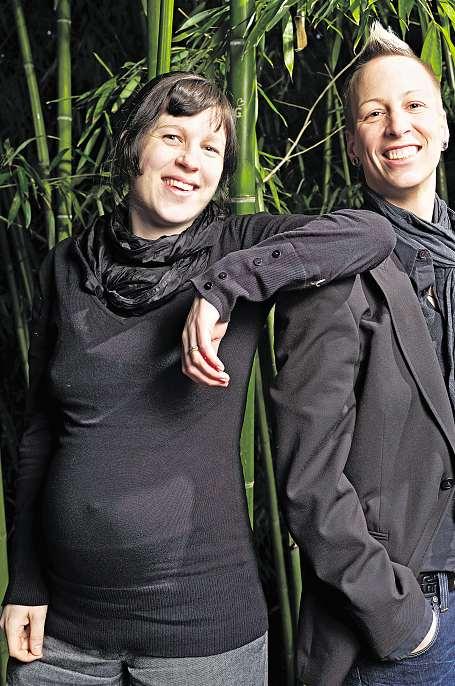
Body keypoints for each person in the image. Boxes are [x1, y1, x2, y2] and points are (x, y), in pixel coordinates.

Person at [0, 72, 394, 686]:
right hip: (63, 635)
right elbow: (40, 433)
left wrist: (227, 286)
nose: (191, 160)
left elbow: (372, 233)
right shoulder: (65, 266)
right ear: (134, 146)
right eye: (172, 137)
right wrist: (23, 582)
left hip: (200, 632)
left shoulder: (236, 247)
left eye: (210, 147)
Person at [182, 24, 455, 686]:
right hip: (408, 620)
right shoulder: (333, 274)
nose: (398, 125)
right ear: (352, 145)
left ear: (444, 126)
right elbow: (308, 480)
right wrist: (401, 619)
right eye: (373, 113)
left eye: (414, 105)